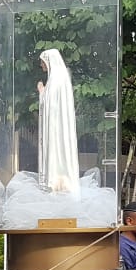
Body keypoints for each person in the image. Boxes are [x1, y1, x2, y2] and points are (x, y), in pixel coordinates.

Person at [36, 48, 80, 196]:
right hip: (59, 127)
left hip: (55, 128)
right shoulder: (60, 77)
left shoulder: (56, 79)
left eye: (43, 62)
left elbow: (51, 106)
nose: (41, 65)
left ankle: (56, 181)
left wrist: (41, 92)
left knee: (56, 151)